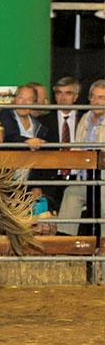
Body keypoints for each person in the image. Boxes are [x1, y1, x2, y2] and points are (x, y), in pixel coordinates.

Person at [56, 79, 105, 236]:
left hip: (103, 180)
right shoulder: (84, 119)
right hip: (85, 179)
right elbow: (77, 146)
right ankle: (65, 244)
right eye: (94, 97)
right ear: (89, 98)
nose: (97, 101)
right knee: (71, 194)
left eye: (102, 97)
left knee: (102, 202)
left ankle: (101, 250)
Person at [35, 77, 82, 212]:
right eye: (59, 93)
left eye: (68, 93)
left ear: (76, 96)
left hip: (78, 178)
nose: (63, 97)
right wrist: (36, 184)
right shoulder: (43, 121)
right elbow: (37, 155)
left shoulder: (85, 119)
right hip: (50, 180)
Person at [0, 85, 47, 150]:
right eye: (20, 98)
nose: (24, 102)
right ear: (15, 99)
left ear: (34, 103)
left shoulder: (38, 124)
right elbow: (8, 137)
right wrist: (26, 141)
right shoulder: (4, 115)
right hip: (9, 158)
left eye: (29, 99)